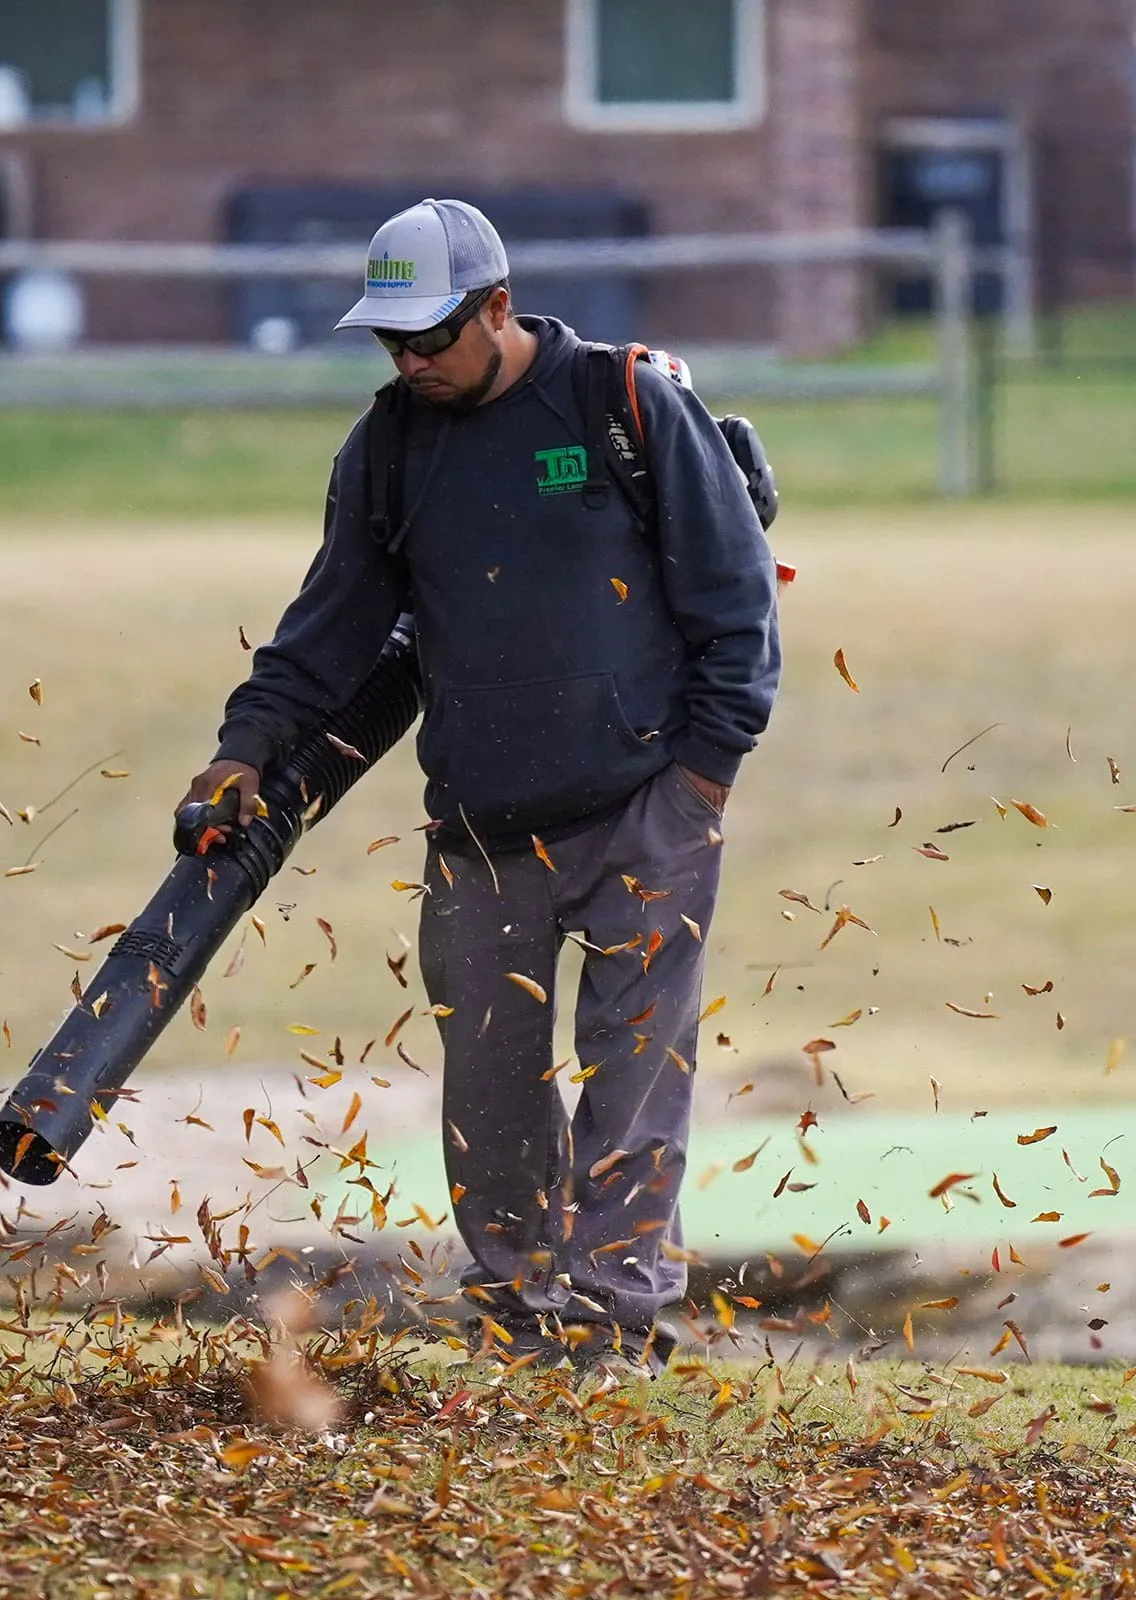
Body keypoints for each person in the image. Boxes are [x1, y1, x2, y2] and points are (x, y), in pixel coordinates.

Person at [179, 198, 781, 1376]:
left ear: (496, 306)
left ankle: (610, 1324)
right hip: (479, 822)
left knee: (633, 1077)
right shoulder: (389, 445)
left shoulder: (624, 406)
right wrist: (244, 747)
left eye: (430, 337)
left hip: (644, 803)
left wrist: (700, 783)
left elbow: (736, 607)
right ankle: (515, 1313)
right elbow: (331, 625)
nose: (409, 361)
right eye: (389, 342)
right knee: (492, 1094)